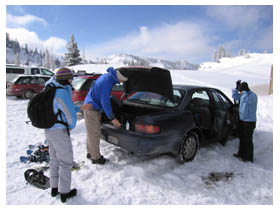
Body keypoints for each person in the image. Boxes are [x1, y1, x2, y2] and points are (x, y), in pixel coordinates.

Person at [44, 67, 86, 203]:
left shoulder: (51, 87)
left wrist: (79, 108)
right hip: (59, 131)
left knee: (54, 159)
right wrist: (71, 126)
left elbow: (60, 108)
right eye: (71, 77)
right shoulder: (62, 92)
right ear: (65, 79)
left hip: (49, 129)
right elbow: (70, 117)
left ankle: (54, 188)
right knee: (66, 162)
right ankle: (65, 192)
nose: (72, 79)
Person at [82, 67, 128, 164]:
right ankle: (96, 158)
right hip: (92, 108)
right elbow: (105, 101)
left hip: (90, 106)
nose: (120, 82)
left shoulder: (107, 77)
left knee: (91, 133)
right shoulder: (107, 81)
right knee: (95, 133)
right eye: (122, 80)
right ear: (119, 77)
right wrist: (112, 118)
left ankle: (91, 153)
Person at [232, 81, 258, 162]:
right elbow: (235, 96)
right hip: (242, 120)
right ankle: (241, 154)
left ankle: (249, 157)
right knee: (242, 138)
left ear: (246, 89)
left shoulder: (253, 96)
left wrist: (243, 91)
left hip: (249, 121)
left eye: (241, 90)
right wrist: (236, 89)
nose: (241, 92)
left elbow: (247, 100)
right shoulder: (243, 94)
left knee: (248, 139)